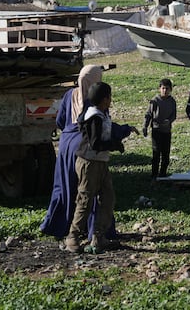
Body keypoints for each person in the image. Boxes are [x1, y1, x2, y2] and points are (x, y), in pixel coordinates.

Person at [41, 65, 118, 243]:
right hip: (86, 149)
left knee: (66, 187)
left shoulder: (69, 94)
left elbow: (60, 120)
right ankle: (91, 233)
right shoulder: (98, 99)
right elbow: (103, 130)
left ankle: (60, 226)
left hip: (66, 145)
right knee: (91, 191)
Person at [66, 81, 138, 253]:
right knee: (85, 200)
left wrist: (125, 130)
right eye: (109, 97)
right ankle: (72, 237)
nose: (111, 100)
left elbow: (109, 130)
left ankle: (99, 237)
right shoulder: (94, 117)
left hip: (100, 162)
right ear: (104, 99)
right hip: (89, 163)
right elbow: (95, 143)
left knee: (108, 198)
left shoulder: (101, 114)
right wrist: (115, 145)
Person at [143, 78, 177, 179]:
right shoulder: (155, 100)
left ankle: (163, 174)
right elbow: (148, 114)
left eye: (167, 88)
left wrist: (169, 121)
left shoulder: (172, 101)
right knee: (156, 153)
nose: (165, 91)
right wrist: (145, 126)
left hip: (167, 131)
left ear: (171, 89)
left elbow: (174, 115)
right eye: (163, 88)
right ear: (159, 89)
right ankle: (154, 175)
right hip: (156, 130)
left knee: (166, 154)